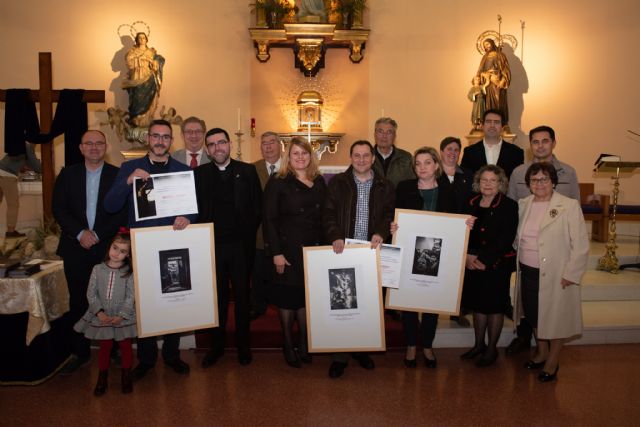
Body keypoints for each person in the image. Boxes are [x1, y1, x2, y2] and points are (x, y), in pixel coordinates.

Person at [104, 119, 195, 381]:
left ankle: (171, 355)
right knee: (144, 304)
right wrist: (128, 182)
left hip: (172, 246)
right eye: (155, 136)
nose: (160, 141)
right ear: (148, 139)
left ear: (171, 141)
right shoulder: (130, 167)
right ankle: (146, 359)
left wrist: (188, 217)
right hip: (142, 247)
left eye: (165, 137)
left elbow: (192, 209)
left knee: (173, 300)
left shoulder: (180, 170)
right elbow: (110, 206)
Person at [52, 130, 126, 374]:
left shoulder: (117, 175)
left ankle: (113, 349)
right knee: (78, 300)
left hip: (107, 249)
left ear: (105, 147)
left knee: (111, 301)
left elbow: (121, 212)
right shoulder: (67, 174)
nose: (94, 147)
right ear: (81, 148)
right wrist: (80, 233)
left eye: (99, 143)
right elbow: (59, 209)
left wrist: (97, 234)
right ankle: (80, 352)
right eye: (89, 143)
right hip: (75, 247)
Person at [505, 125, 581, 355]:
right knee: (531, 308)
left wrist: (572, 269)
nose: (540, 146)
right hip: (528, 256)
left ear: (553, 143)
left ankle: (549, 357)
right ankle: (532, 345)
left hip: (557, 256)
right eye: (535, 142)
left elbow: (577, 227)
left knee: (554, 312)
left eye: (544, 141)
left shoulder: (569, 173)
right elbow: (511, 210)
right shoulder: (519, 174)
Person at [323, 140, 395, 378]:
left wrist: (381, 232)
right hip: (344, 251)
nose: (361, 160)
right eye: (357, 155)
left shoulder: (385, 185)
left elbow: (389, 215)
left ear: (373, 158)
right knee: (343, 301)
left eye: (366, 156)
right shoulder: (338, 183)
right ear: (351, 157)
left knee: (368, 305)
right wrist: (335, 235)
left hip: (371, 253)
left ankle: (362, 349)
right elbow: (329, 212)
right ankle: (340, 355)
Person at [514, 162, 589, 382]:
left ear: (553, 181)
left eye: (544, 179)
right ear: (528, 184)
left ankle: (552, 361)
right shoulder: (523, 204)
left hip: (557, 273)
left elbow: (581, 244)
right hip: (527, 270)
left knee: (556, 319)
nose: (539, 184)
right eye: (534, 180)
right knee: (535, 316)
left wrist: (571, 273)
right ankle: (542, 352)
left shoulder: (569, 206)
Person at [194, 128, 262, 368]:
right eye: (211, 145)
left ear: (229, 144)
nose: (217, 148)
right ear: (207, 149)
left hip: (241, 248)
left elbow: (257, 209)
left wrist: (244, 236)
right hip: (212, 247)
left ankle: (244, 346)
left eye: (221, 142)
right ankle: (217, 346)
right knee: (218, 299)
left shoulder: (247, 171)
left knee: (243, 298)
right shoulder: (199, 174)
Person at [263, 138, 326, 368]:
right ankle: (288, 345)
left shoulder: (319, 182)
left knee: (305, 299)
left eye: (304, 153)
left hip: (313, 250)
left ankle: (304, 343)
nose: (300, 157)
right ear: (288, 157)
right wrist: (276, 253)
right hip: (287, 250)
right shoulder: (278, 182)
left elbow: (326, 216)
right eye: (295, 153)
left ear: (311, 156)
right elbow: (269, 220)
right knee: (288, 301)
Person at [394, 147, 457, 369]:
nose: (422, 167)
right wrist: (393, 225)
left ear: (436, 166)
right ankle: (412, 345)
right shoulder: (404, 188)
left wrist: (465, 224)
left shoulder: (450, 190)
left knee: (431, 303)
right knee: (409, 302)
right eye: (418, 163)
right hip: (409, 253)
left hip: (438, 255)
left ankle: (427, 346)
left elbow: (457, 219)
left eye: (427, 163)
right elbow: (395, 215)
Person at [460, 165, 518, 367]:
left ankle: (491, 348)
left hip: (496, 264)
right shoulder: (470, 202)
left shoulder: (509, 205)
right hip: (471, 263)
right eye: (484, 180)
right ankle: (478, 345)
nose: (488, 184)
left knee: (494, 307)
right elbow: (460, 232)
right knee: (478, 305)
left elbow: (505, 238)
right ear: (478, 182)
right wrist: (466, 256)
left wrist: (484, 261)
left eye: (493, 180)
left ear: (500, 183)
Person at [73, 232, 136, 396]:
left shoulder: (129, 272)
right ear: (109, 247)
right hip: (103, 314)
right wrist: (99, 313)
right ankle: (102, 377)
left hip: (122, 316)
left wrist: (122, 315)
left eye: (122, 251)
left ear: (128, 254)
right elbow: (91, 293)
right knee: (105, 347)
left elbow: (131, 296)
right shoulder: (97, 269)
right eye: (115, 248)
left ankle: (126, 375)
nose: (116, 253)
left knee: (125, 346)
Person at [439, 136, 474, 327]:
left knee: (458, 274)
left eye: (456, 150)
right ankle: (433, 311)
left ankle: (456, 311)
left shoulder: (468, 175)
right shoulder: (433, 174)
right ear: (441, 152)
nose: (452, 153)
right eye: (449, 149)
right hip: (439, 232)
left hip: (462, 233)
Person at [251, 131, 282, 319]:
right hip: (259, 231)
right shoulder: (252, 169)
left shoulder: (291, 166)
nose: (268, 146)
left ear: (280, 146)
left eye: (272, 142)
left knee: (281, 273)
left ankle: (280, 304)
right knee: (258, 270)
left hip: (282, 232)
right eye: (264, 143)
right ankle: (258, 304)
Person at [460, 109, 524, 179]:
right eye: (488, 121)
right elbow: (464, 179)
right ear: (482, 126)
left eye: (496, 122)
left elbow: (518, 181)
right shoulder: (469, 152)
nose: (492, 125)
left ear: (502, 127)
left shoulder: (516, 152)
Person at [122, 32, 164, 128]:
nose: (141, 39)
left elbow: (158, 62)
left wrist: (154, 62)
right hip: (137, 76)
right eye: (139, 38)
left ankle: (146, 120)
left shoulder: (151, 52)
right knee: (137, 97)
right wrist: (140, 59)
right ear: (136, 40)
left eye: (143, 38)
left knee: (149, 96)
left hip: (149, 78)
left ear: (146, 40)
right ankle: (136, 119)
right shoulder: (132, 52)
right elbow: (129, 63)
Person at [0, 142, 41, 237]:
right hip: (7, 175)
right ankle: (10, 232)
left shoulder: (20, 144)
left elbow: (16, 161)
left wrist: (23, 167)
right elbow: (36, 166)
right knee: (13, 205)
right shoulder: (28, 147)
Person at [474, 38, 511, 126]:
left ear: (492, 43)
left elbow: (506, 70)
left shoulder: (500, 55)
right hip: (487, 84)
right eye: (485, 45)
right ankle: (488, 123)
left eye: (488, 44)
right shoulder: (485, 57)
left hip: (496, 82)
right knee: (487, 104)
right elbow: (480, 71)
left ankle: (500, 124)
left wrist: (503, 80)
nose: (486, 46)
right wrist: (481, 76)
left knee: (498, 102)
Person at [371, 117, 416, 187]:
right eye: (380, 131)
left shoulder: (406, 157)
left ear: (395, 136)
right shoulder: (366, 156)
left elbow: (413, 184)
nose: (384, 136)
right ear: (374, 134)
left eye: (389, 132)